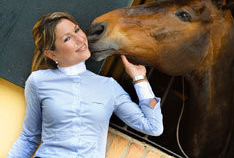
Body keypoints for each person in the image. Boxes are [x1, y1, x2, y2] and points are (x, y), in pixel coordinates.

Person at [7, 12, 163, 158]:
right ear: (51, 54)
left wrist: (139, 79)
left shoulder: (108, 86)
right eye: (67, 38)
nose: (80, 39)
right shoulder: (38, 81)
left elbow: (153, 127)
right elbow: (29, 137)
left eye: (77, 30)